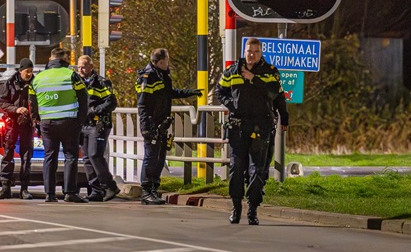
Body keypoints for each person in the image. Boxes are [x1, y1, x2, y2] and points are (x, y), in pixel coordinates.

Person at [216, 37, 289, 225]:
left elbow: (276, 94)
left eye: (256, 51)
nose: (252, 55)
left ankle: (253, 210)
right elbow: (220, 91)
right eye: (249, 51)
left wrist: (254, 80)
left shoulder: (270, 72)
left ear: (261, 53)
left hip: (261, 125)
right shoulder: (233, 71)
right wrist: (230, 105)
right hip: (238, 127)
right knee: (236, 169)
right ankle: (236, 208)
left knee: (257, 170)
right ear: (244, 51)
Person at [136, 48, 202, 205]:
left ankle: (153, 189)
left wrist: (189, 93)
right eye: (167, 60)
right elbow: (143, 104)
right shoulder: (149, 77)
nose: (169, 62)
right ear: (160, 62)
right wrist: (147, 126)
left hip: (162, 123)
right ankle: (146, 191)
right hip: (152, 124)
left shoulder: (162, 75)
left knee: (160, 157)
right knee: (151, 157)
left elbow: (168, 93)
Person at [30, 47, 88, 203]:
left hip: (47, 123)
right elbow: (84, 99)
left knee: (50, 157)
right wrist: (80, 120)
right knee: (70, 156)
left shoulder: (37, 78)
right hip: (69, 122)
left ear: (51, 59)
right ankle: (70, 192)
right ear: (66, 61)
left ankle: (49, 194)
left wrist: (36, 121)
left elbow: (32, 103)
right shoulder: (72, 76)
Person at [0, 57, 36, 200]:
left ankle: (24, 188)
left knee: (26, 156)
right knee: (8, 154)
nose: (29, 74)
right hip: (12, 123)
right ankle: (5, 187)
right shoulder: (10, 83)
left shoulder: (36, 83)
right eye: (27, 71)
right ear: (21, 71)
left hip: (28, 124)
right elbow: (3, 103)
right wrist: (16, 110)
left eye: (31, 71)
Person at [76, 55, 120, 202]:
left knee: (95, 155)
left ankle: (110, 186)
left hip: (98, 123)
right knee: (87, 158)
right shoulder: (77, 82)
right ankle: (96, 190)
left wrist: (94, 110)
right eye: (79, 67)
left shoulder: (101, 82)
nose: (81, 69)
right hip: (84, 124)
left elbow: (112, 102)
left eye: (83, 66)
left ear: (91, 66)